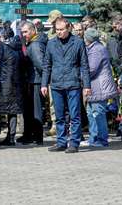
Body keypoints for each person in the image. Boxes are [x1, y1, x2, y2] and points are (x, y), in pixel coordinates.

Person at [41, 17, 91, 153]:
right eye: (57, 30)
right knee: (59, 115)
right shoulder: (51, 43)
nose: (59, 32)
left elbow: (84, 66)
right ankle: (61, 142)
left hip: (73, 83)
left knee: (75, 115)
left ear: (68, 28)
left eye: (62, 29)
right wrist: (44, 84)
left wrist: (87, 86)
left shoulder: (78, 42)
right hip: (56, 84)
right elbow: (47, 65)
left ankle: (74, 143)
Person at [82, 28, 118, 148]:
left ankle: (102, 140)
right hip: (94, 86)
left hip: (99, 87)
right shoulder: (93, 48)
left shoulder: (96, 49)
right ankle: (93, 138)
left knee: (98, 113)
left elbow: (91, 69)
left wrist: (78, 75)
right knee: (91, 113)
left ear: (88, 38)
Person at [0, 27, 24, 146]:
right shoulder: (18, 48)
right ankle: (11, 137)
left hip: (3, 82)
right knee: (13, 111)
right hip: (17, 82)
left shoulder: (2, 48)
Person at [19, 21, 46, 145]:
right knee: (30, 110)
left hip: (35, 81)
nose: (24, 34)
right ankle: (30, 135)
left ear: (33, 30)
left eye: (26, 31)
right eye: (22, 32)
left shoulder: (35, 45)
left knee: (36, 111)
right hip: (32, 80)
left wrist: (45, 81)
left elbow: (40, 65)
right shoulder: (32, 42)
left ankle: (37, 137)